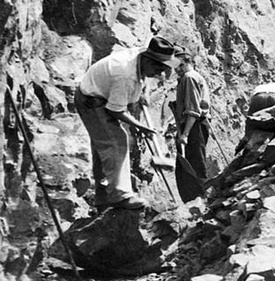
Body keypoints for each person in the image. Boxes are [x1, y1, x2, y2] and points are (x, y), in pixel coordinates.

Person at [76, 36, 178, 210]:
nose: (160, 73)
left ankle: (103, 199)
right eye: (158, 67)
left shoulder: (140, 56)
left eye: (164, 68)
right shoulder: (124, 75)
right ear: (147, 59)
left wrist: (143, 92)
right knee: (116, 142)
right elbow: (115, 110)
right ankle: (120, 197)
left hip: (102, 95)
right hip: (92, 102)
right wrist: (139, 126)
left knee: (104, 149)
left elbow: (139, 78)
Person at [172, 49, 209, 204]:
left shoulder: (189, 77)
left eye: (180, 65)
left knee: (195, 164)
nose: (177, 70)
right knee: (192, 164)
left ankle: (201, 201)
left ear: (188, 62)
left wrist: (185, 134)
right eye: (175, 67)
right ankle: (195, 201)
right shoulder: (189, 78)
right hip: (194, 125)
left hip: (194, 125)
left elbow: (193, 110)